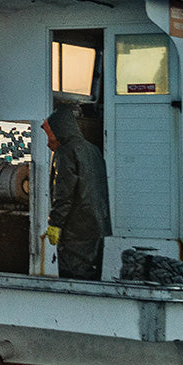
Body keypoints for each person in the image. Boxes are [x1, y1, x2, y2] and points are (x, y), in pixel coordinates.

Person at [43, 106, 111, 281]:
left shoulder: (65, 152)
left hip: (76, 230)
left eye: (49, 135)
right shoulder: (92, 150)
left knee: (73, 277)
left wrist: (55, 224)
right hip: (97, 225)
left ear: (60, 131)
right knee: (91, 275)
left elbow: (64, 194)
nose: (48, 142)